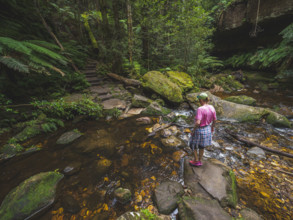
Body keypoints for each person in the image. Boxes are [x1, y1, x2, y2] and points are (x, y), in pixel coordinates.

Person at [189, 92, 216, 166]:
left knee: (192, 144)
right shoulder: (212, 107)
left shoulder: (200, 109)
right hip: (207, 129)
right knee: (202, 146)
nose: (199, 101)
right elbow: (214, 120)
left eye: (199, 100)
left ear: (201, 100)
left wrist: (193, 130)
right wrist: (212, 128)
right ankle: (200, 160)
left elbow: (198, 122)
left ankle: (196, 160)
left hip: (200, 129)